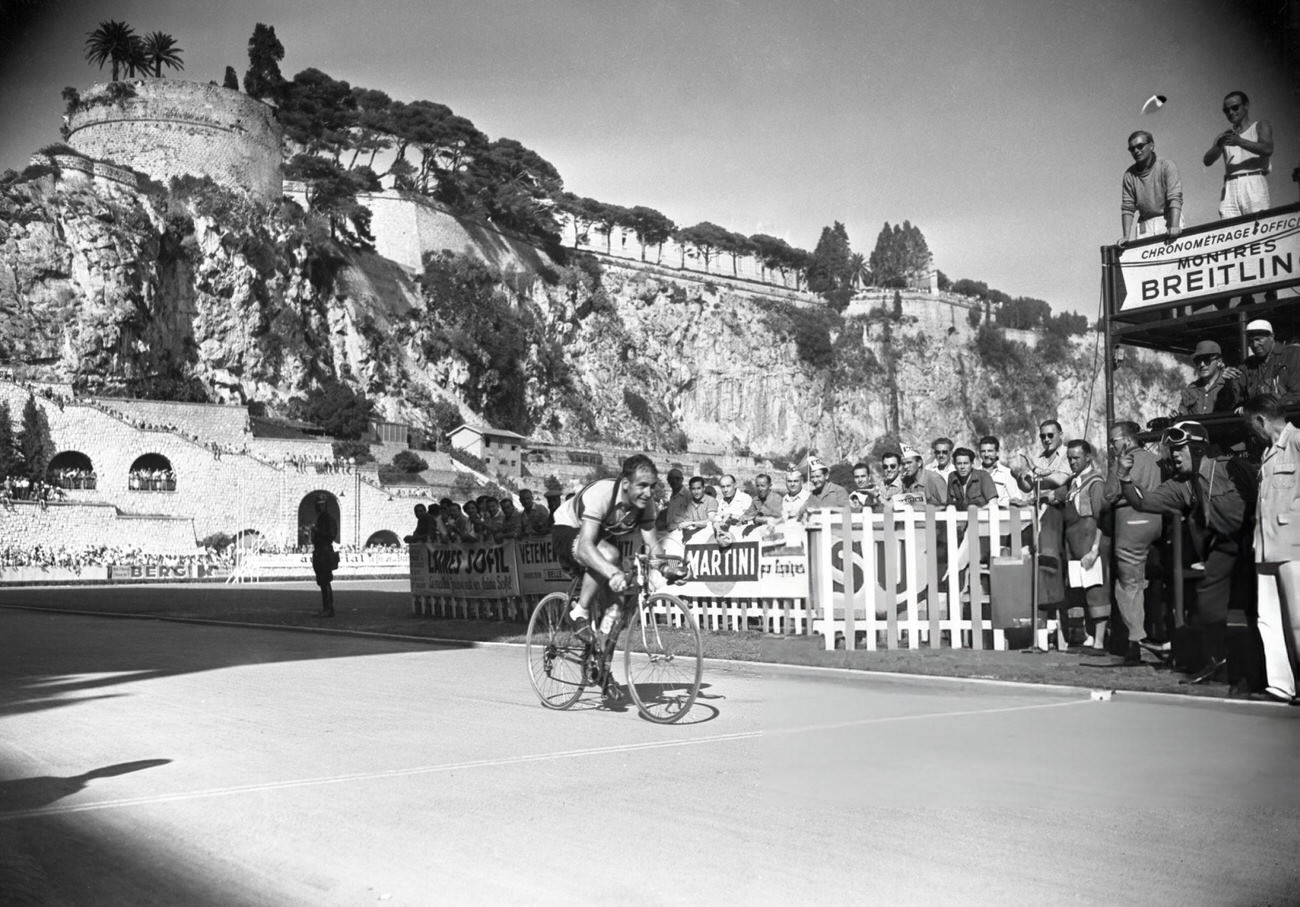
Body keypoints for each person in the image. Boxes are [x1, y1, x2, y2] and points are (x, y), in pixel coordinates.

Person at [1117, 420, 1255, 685]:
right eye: (1173, 450)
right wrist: (1124, 477)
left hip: (1252, 544)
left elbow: (1258, 497)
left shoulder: (1231, 467)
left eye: (1180, 449)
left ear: (1198, 449)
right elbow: (1144, 501)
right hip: (1222, 549)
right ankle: (1217, 662)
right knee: (1207, 605)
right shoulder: (1183, 485)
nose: (1175, 455)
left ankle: (1255, 671)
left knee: (1256, 609)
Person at [550, 455, 660, 694]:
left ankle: (601, 669)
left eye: (652, 486)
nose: (648, 492)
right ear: (625, 483)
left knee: (615, 611)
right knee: (609, 555)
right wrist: (613, 573)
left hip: (598, 539)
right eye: (642, 485)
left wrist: (670, 567)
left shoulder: (647, 504)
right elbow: (586, 546)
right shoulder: (601, 494)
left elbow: (654, 547)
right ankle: (580, 609)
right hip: (568, 529)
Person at [1242, 394, 1300, 703]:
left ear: (1261, 420)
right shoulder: (1267, 453)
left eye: (1253, 425)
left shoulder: (1297, 442)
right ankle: (1280, 685)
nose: (1252, 433)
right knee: (1269, 618)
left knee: (1299, 620)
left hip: (1294, 546)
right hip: (1265, 546)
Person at [1102, 421, 1166, 666]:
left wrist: (1115, 471)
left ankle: (1140, 639)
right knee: (1143, 583)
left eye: (1113, 441)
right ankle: (1140, 642)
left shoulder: (1123, 461)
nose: (1111, 445)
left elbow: (1109, 495)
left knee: (1127, 585)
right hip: (1156, 519)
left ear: (1126, 440)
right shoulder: (1153, 460)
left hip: (1130, 520)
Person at [1050, 440, 1109, 654]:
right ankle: (1090, 636)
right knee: (1083, 592)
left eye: (1076, 458)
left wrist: (1094, 550)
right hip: (1074, 546)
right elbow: (1052, 494)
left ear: (1088, 458)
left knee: (1097, 590)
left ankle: (1100, 642)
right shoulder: (1073, 483)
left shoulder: (1095, 483)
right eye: (1070, 458)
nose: (1073, 462)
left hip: (1090, 543)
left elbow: (1102, 519)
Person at [1203, 90, 1273, 218]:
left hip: (1254, 182)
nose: (1231, 112)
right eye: (1226, 110)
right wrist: (1220, 145)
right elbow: (1207, 161)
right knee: (1229, 229)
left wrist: (1239, 141)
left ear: (1246, 105)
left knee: (1258, 224)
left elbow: (1268, 149)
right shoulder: (1224, 136)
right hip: (1230, 185)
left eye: (1235, 107)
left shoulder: (1260, 126)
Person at [1118, 130, 1182, 246]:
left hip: (1169, 220)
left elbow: (1175, 198)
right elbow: (1128, 207)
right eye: (1132, 149)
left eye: (1140, 146)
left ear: (1151, 145)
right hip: (1145, 225)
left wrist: (1174, 225)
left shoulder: (1167, 165)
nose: (1136, 151)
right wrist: (1126, 236)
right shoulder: (1129, 175)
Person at [1223, 320, 1300, 406]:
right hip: (1259, 417)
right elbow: (1237, 400)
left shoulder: (1293, 354)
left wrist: (1264, 408)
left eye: (1258, 339)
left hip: (1289, 415)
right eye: (1251, 341)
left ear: (1271, 336)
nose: (1255, 345)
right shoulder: (1247, 364)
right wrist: (1229, 383)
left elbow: (1297, 394)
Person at [1179, 340, 1239, 415]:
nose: (1202, 364)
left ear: (1219, 361)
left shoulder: (1230, 385)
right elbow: (1182, 415)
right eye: (1198, 360)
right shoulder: (1190, 390)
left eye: (1207, 360)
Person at [978, 436, 1026, 506]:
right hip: (979, 514)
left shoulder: (1007, 474)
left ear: (997, 452)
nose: (986, 455)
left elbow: (1016, 500)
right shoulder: (974, 474)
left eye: (990, 451)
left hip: (1002, 515)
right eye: (983, 451)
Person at [310, 497, 337, 617]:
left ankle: (329, 608)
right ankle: (326, 607)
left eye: (321, 505)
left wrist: (317, 530)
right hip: (320, 551)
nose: (319, 507)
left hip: (324, 552)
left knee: (325, 581)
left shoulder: (327, 519)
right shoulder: (321, 518)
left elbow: (331, 535)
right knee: (322, 581)